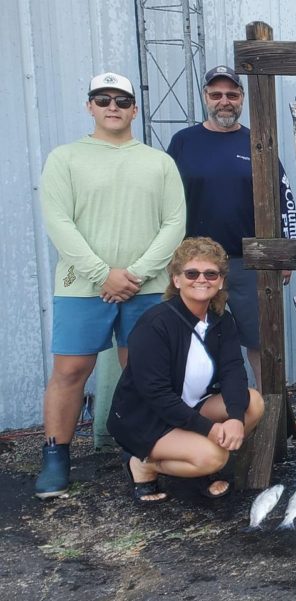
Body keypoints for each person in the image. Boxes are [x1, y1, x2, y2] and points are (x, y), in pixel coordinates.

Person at [35, 72, 186, 499]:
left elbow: (174, 223)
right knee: (70, 371)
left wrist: (134, 273)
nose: (112, 106)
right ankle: (56, 454)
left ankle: (142, 453)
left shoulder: (159, 162)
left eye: (122, 100)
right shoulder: (64, 158)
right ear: (90, 107)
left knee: (143, 372)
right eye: (103, 99)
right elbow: (58, 221)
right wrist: (103, 274)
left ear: (135, 109)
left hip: (149, 285)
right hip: (82, 285)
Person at [166, 66, 296, 436]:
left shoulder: (259, 140)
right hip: (198, 266)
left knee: (261, 342)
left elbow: (284, 198)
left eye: (232, 94)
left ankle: (276, 415)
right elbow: (166, 200)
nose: (224, 101)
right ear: (206, 97)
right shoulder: (183, 142)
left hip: (250, 260)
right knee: (196, 342)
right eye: (216, 94)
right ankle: (195, 418)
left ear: (242, 99)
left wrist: (285, 250)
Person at [107, 237, 265, 502]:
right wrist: (209, 429)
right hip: (148, 419)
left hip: (190, 405)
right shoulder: (156, 323)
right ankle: (143, 464)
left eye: (210, 274)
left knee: (253, 403)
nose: (201, 279)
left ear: (221, 281)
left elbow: (232, 371)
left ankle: (194, 455)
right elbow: (155, 394)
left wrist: (236, 418)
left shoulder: (221, 320)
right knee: (214, 456)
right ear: (176, 280)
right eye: (191, 273)